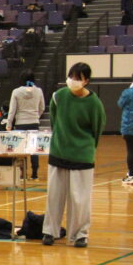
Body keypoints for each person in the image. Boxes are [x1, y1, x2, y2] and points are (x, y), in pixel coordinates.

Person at [44, 63, 106, 248]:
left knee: (80, 199)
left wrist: (87, 148)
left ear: (86, 81)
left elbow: (97, 128)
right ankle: (50, 231)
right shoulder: (58, 97)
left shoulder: (94, 103)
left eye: (78, 78)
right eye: (71, 76)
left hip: (82, 155)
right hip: (58, 151)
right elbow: (54, 121)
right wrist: (60, 140)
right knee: (54, 196)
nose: (73, 81)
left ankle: (79, 234)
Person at [6, 70, 46, 180]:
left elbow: (12, 110)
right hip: (34, 123)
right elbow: (42, 107)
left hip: (20, 124)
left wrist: (9, 123)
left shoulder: (16, 92)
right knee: (33, 149)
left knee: (21, 149)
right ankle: (34, 174)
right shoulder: (38, 91)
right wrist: (36, 116)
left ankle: (22, 174)